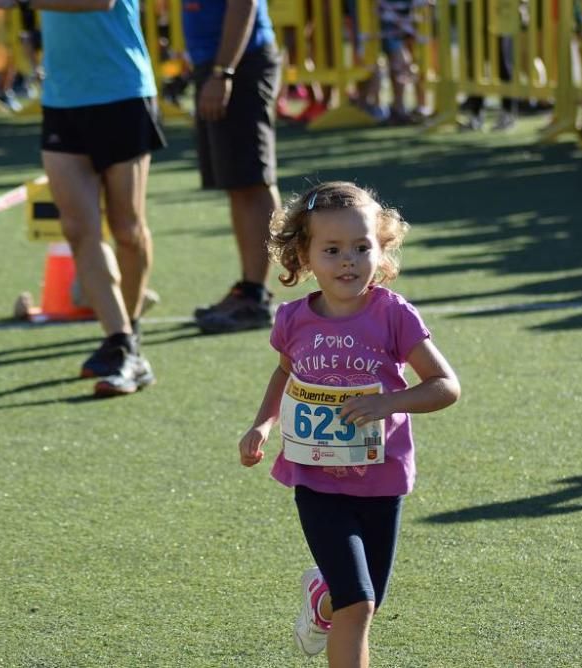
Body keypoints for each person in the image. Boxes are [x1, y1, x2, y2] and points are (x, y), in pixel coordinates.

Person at [238, 182, 461, 665]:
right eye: (332, 249)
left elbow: (445, 385)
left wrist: (391, 403)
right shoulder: (293, 319)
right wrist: (262, 424)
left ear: (381, 251)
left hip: (382, 483)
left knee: (363, 604)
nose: (348, 261)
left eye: (362, 248)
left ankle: (322, 594)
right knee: (356, 604)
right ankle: (332, 595)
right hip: (316, 480)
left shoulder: (394, 316)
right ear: (304, 254)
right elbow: (284, 373)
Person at [0, 0, 167, 397]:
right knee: (78, 230)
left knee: (127, 228)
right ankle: (121, 341)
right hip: (62, 97)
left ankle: (130, 336)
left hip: (123, 90)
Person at [182, 0, 282, 334]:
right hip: (219, 62)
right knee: (238, 183)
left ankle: (255, 294)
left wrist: (222, 71)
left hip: (238, 63)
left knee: (252, 180)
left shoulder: (228, 67)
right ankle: (248, 289)